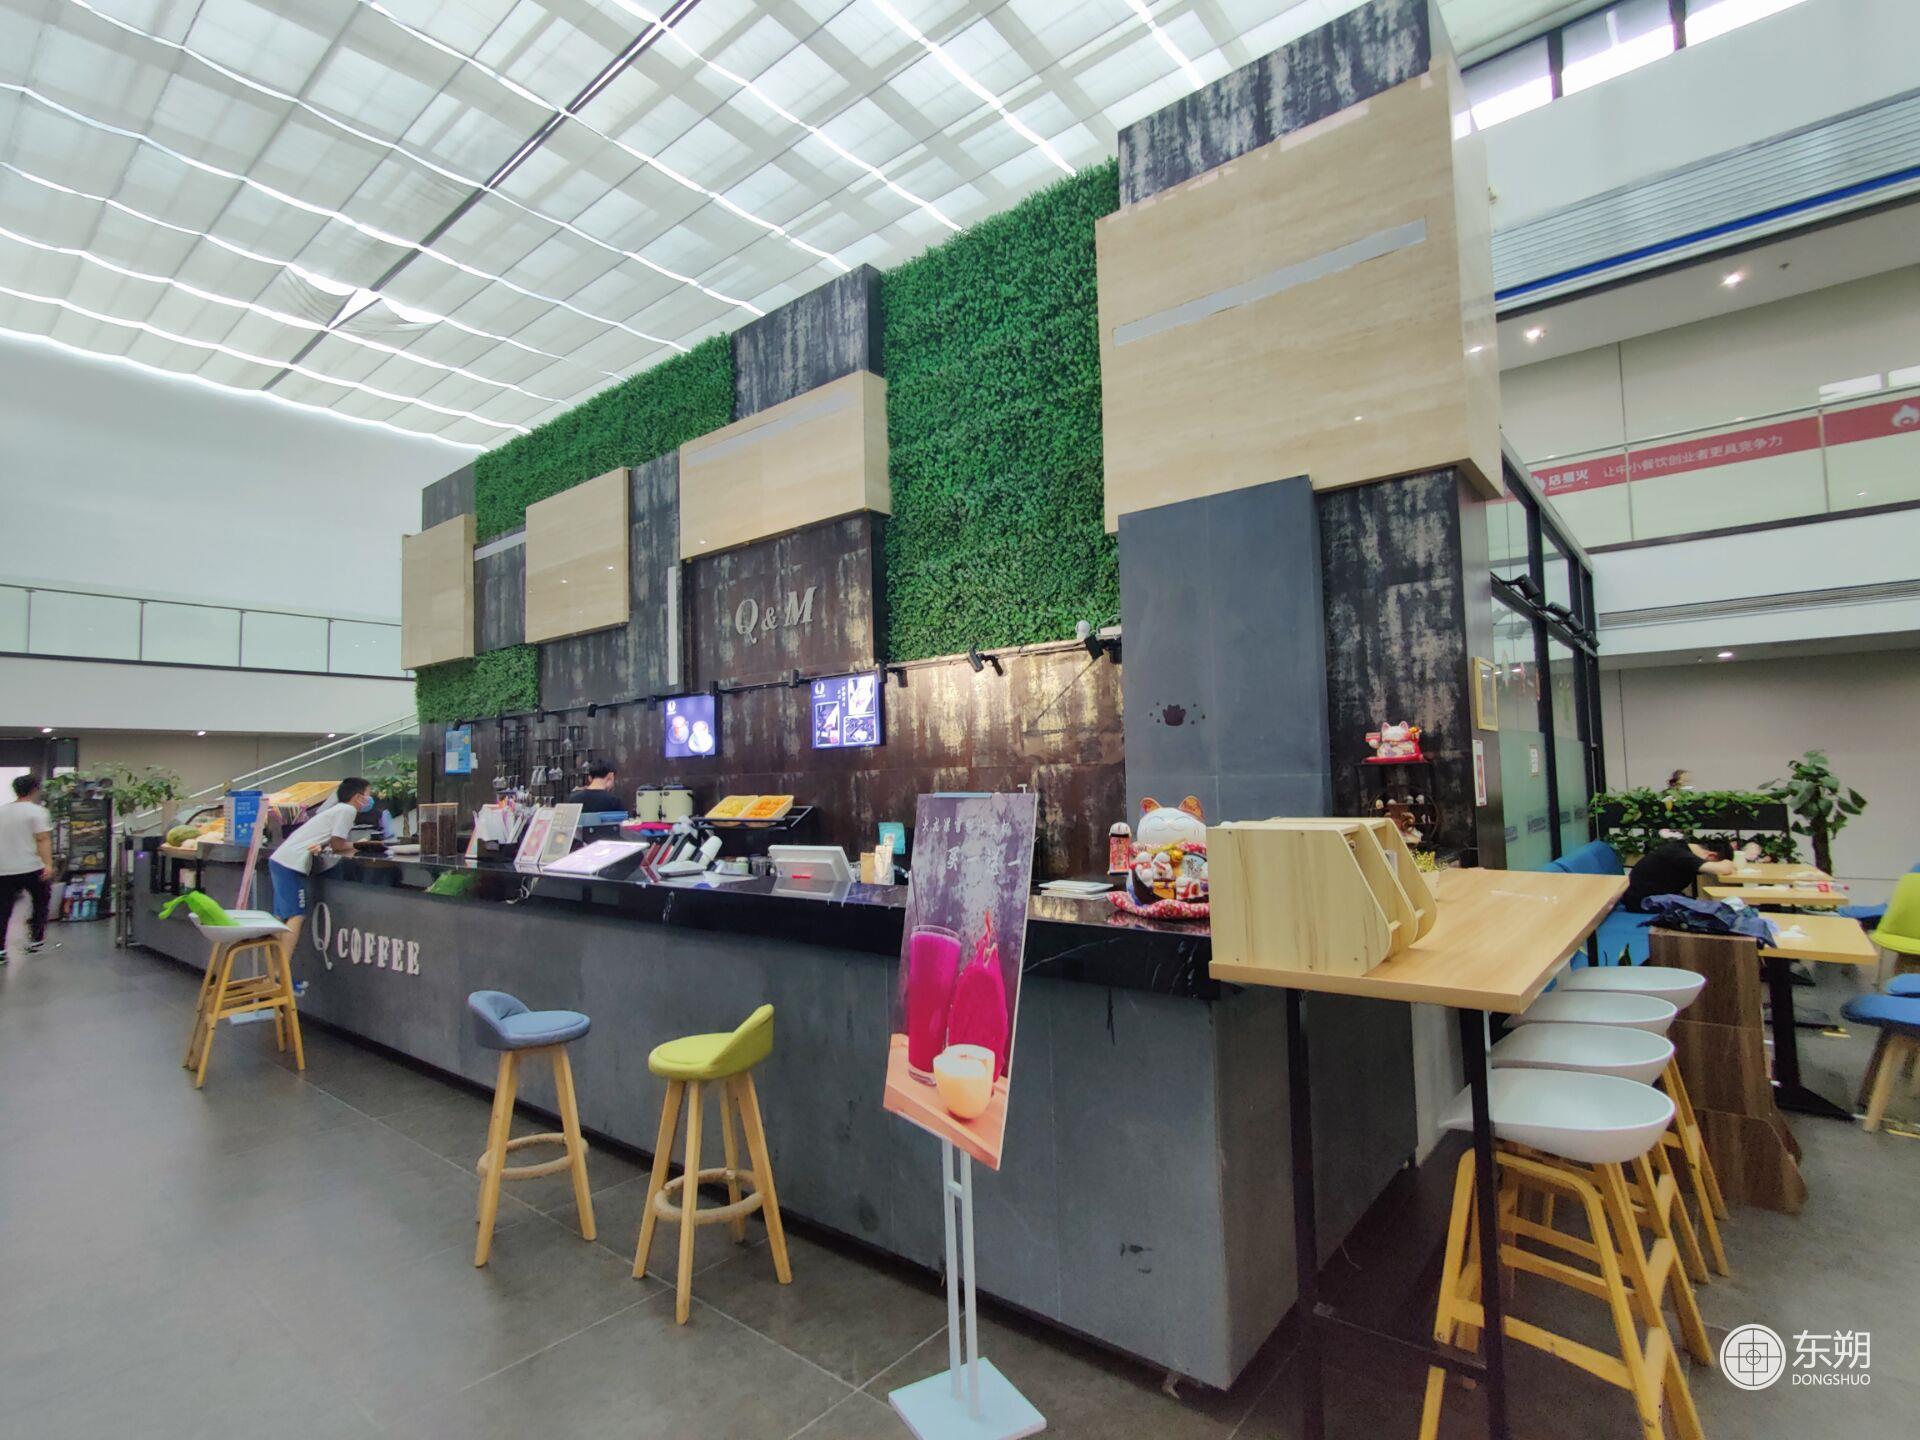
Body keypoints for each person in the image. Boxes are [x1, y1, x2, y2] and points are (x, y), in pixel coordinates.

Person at [266, 778, 374, 922]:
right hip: (291, 864)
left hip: (280, 860)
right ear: (358, 797)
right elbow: (337, 845)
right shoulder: (348, 810)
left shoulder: (337, 809)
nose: (370, 798)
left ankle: (278, 939)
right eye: (368, 794)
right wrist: (360, 845)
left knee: (281, 917)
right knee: (296, 914)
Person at [0, 774, 56, 960]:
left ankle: (1, 950)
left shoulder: (2, 811)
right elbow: (42, 839)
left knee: (3, 909)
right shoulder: (38, 812)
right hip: (32, 866)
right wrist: (48, 865)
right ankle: (36, 940)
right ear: (34, 789)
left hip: (4, 868)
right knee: (40, 902)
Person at [1623, 837, 1734, 913]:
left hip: (1651, 897)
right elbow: (1723, 869)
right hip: (1645, 902)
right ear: (1711, 856)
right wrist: (1727, 864)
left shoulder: (1680, 849)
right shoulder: (1679, 855)